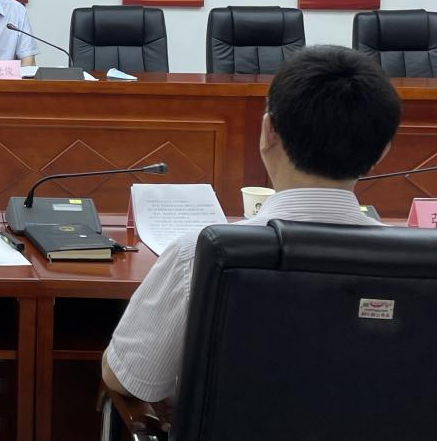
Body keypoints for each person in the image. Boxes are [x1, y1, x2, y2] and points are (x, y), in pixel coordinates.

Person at [101, 45, 401, 405]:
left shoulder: (198, 254)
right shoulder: (428, 266)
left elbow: (128, 380)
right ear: (383, 151)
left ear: (268, 131)